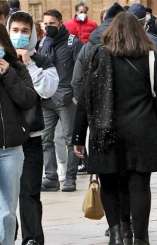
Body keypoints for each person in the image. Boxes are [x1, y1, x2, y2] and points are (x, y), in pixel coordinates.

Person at [72, 12, 157, 245]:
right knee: (139, 185)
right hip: (143, 131)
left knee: (109, 183)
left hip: (105, 131)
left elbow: (86, 98)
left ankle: (118, 234)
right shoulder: (150, 57)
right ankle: (140, 238)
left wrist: (78, 137)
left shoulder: (100, 54)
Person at [7, 11, 59, 245]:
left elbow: (47, 90)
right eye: (15, 30)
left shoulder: (42, 61)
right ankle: (8, 235)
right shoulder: (2, 58)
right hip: (6, 138)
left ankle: (33, 238)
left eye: (25, 31)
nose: (19, 35)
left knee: (29, 193)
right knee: (5, 198)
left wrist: (28, 63)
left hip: (31, 137)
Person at [0, 23, 37, 245]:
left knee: (8, 211)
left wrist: (8, 74)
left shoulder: (16, 68)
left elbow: (28, 99)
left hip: (11, 149)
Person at [38, 9, 83, 192]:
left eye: (52, 24)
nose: (48, 27)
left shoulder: (73, 42)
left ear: (60, 23)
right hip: (46, 99)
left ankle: (70, 178)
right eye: (45, 24)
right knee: (45, 139)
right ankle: (51, 177)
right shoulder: (43, 42)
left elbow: (81, 69)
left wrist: (76, 95)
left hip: (66, 99)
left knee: (70, 139)